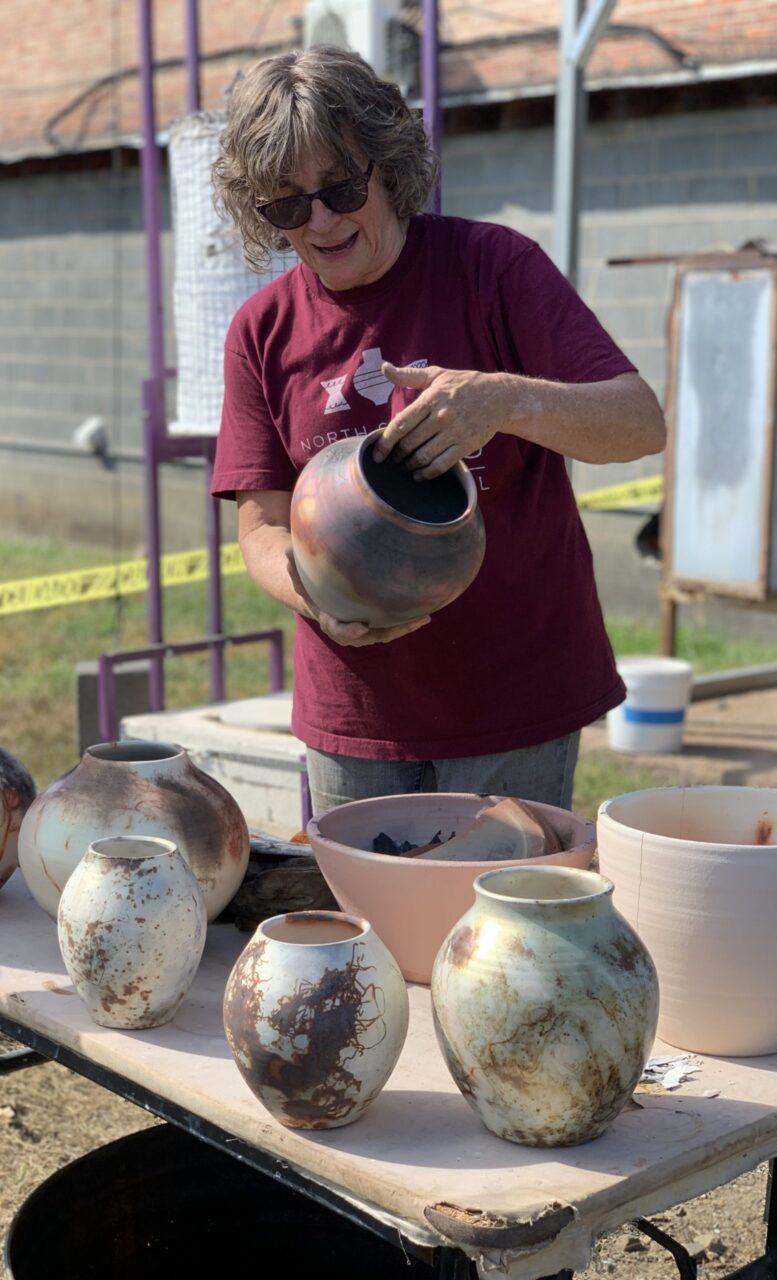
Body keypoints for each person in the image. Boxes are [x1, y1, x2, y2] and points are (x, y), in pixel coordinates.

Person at [210, 46, 666, 817]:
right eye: (287, 205)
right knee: (372, 929)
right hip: (354, 712)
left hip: (514, 697)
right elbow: (260, 519)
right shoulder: (263, 330)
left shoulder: (495, 269)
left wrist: (506, 403)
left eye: (341, 188)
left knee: (499, 928)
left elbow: (638, 422)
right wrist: (310, 593)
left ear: (388, 166)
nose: (320, 221)